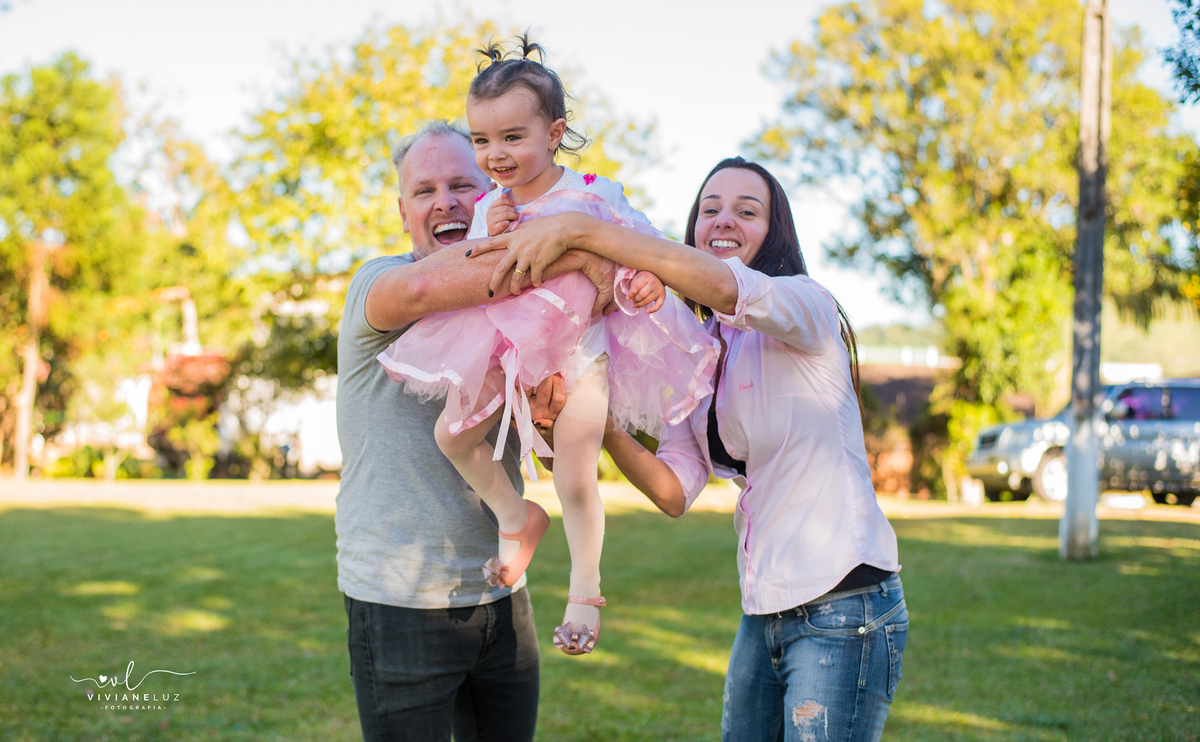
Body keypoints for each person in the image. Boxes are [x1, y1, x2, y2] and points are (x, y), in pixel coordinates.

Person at [470, 157, 908, 741]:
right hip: (764, 610)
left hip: (845, 603)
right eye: (710, 209)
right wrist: (593, 419)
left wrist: (581, 230)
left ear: (775, 232)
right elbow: (675, 490)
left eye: (746, 211)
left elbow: (727, 286)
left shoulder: (805, 307)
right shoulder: (700, 350)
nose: (724, 220)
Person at [377, 36, 717, 656]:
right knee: (450, 436)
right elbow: (470, 271)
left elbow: (642, 251)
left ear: (555, 131)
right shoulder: (490, 207)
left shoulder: (593, 194)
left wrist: (638, 279)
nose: (496, 155)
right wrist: (487, 236)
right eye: (482, 141)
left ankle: (585, 591)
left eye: (512, 137)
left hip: (578, 354)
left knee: (577, 467)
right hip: (505, 353)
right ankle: (515, 516)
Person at [335, 119, 617, 741]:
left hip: (499, 595)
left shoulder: (520, 316)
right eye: (424, 190)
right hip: (400, 603)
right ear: (403, 208)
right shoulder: (379, 286)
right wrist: (591, 252)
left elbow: (557, 414)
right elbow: (436, 283)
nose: (445, 203)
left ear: (495, 188)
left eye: (463, 184)